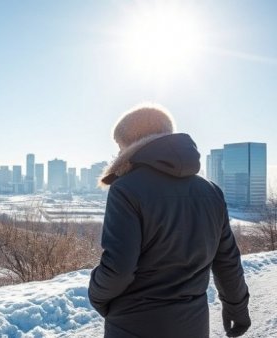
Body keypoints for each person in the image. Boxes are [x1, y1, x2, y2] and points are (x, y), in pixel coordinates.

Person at [88, 104, 251, 338]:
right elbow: (227, 261)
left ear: (131, 143)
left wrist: (96, 296)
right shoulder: (211, 191)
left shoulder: (126, 188)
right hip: (193, 324)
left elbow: (118, 269)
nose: (117, 153)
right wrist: (237, 308)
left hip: (134, 324)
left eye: (119, 145)